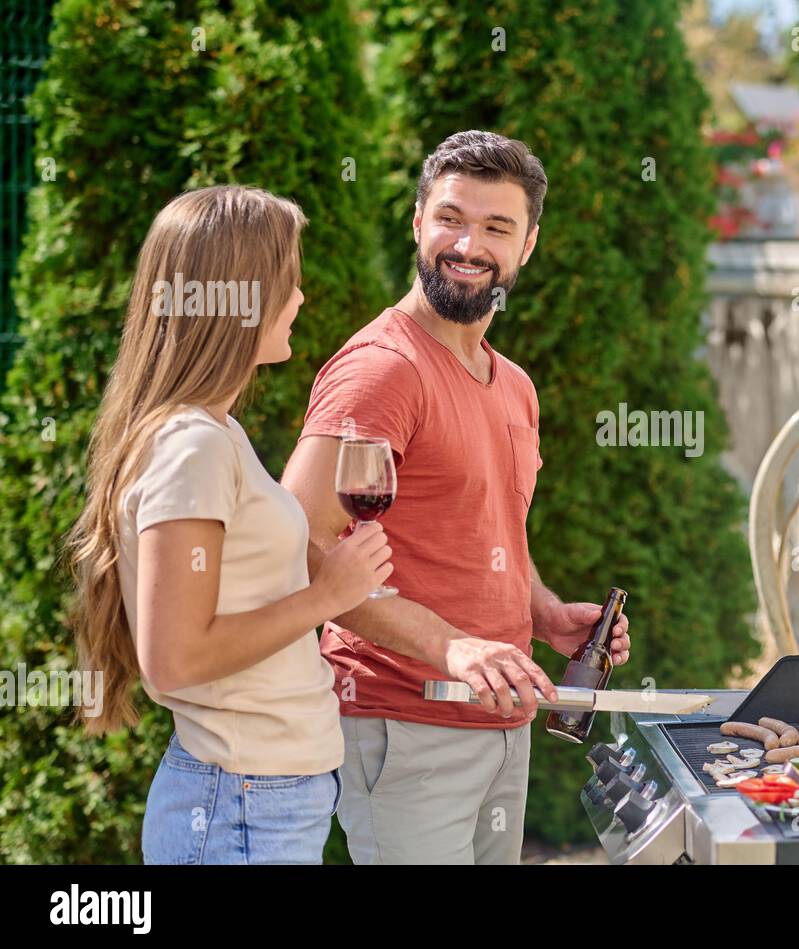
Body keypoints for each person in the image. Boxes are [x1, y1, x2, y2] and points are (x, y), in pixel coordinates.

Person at [280, 130, 631, 865]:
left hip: (499, 720)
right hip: (402, 723)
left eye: (496, 227)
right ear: (417, 223)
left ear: (527, 245)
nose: (467, 244)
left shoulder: (514, 385)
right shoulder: (383, 371)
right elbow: (296, 546)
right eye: (450, 218)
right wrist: (451, 647)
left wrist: (541, 613)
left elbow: (492, 530)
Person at [68, 185, 393, 864]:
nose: (301, 297)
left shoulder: (215, 431)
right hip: (242, 806)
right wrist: (326, 597)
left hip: (259, 800)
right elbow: (176, 658)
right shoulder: (195, 445)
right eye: (288, 280)